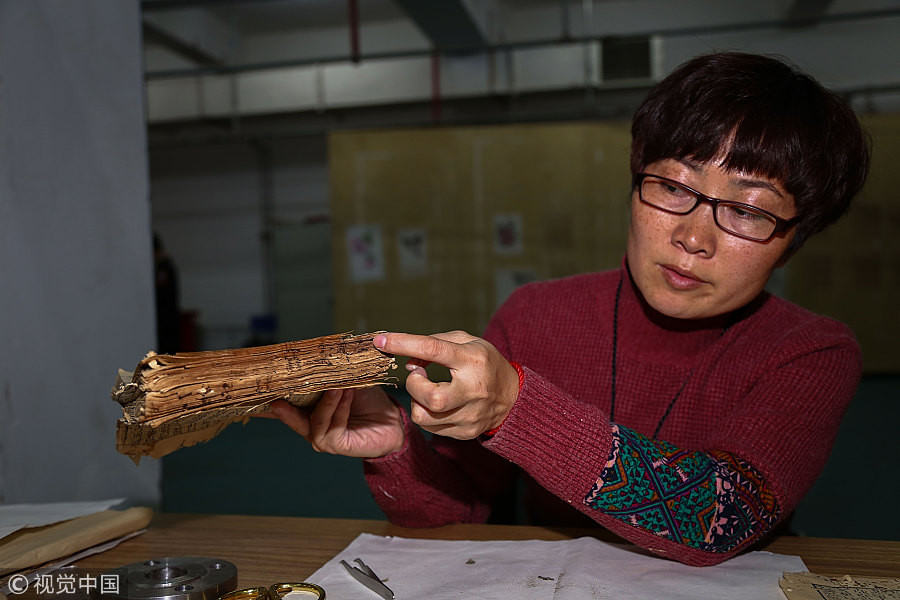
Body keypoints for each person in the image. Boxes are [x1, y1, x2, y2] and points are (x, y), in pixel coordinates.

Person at [265, 52, 870, 567]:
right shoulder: (536, 314)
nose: (692, 236)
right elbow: (462, 510)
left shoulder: (812, 352)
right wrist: (396, 449)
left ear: (795, 237)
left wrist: (516, 408)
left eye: (747, 211)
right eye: (673, 186)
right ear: (636, 180)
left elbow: (719, 516)